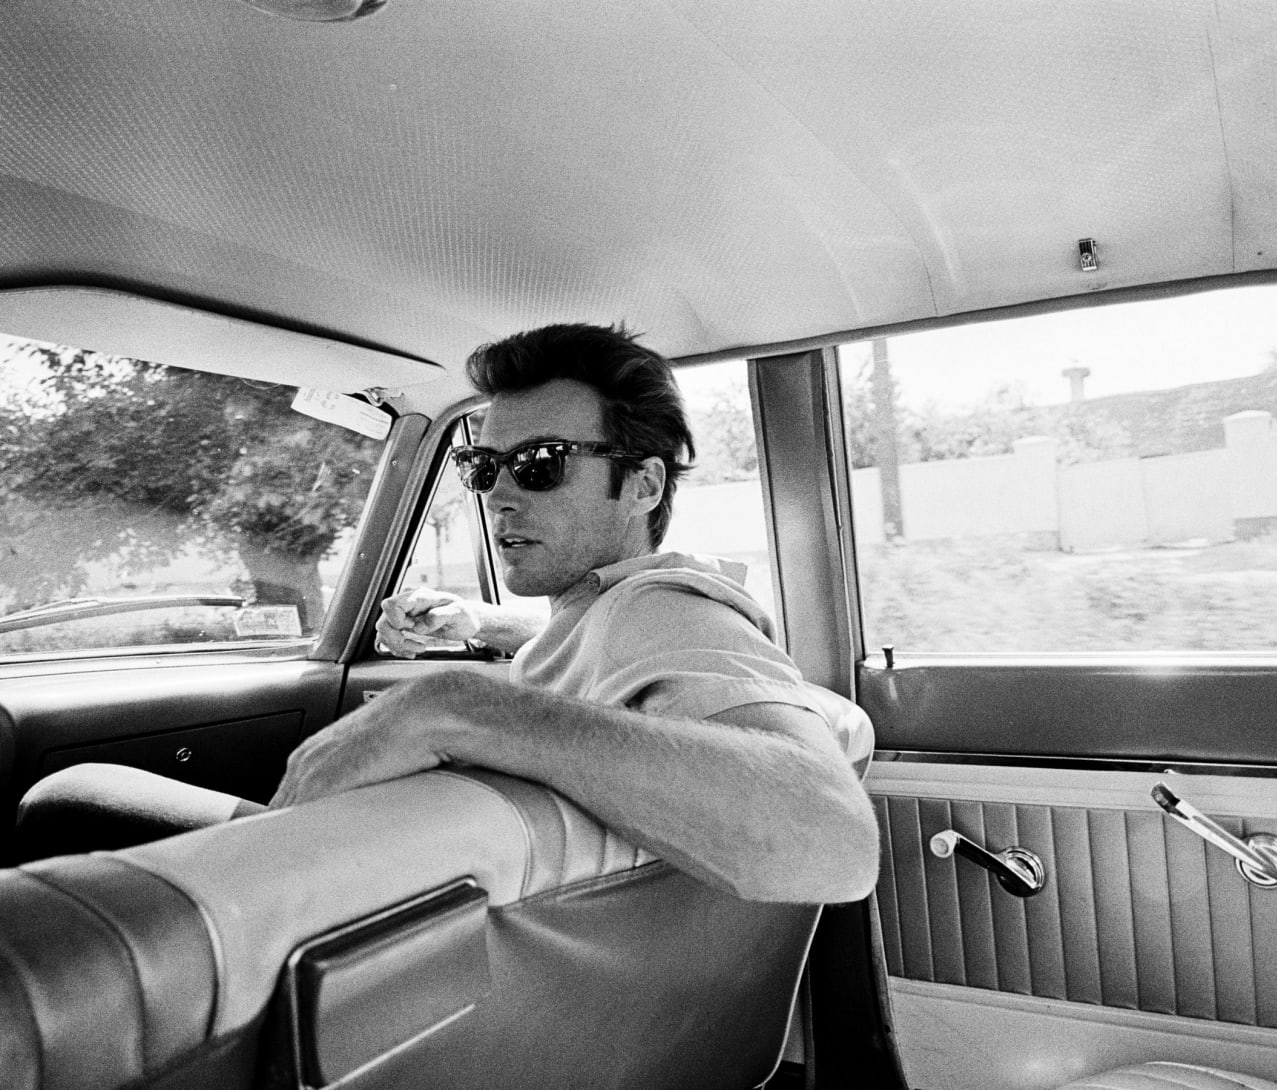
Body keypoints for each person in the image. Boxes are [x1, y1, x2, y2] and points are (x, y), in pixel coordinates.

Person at [17, 323, 880, 904]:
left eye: (540, 464)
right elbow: (591, 652)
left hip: (416, 914)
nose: (500, 496)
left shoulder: (673, 613)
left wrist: (458, 704)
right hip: (455, 901)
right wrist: (484, 624)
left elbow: (831, 837)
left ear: (643, 483)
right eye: (483, 468)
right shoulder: (613, 610)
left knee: (70, 798)